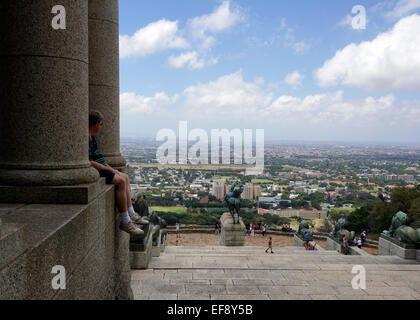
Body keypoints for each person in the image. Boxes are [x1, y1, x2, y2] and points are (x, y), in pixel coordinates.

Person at [89, 110, 148, 236]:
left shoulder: (91, 139)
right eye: (101, 124)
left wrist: (111, 168)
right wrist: (109, 170)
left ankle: (132, 214)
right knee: (121, 181)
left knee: (125, 177)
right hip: (95, 170)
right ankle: (125, 221)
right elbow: (90, 161)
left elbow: (100, 159)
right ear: (95, 124)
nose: (101, 126)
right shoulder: (86, 140)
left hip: (102, 168)